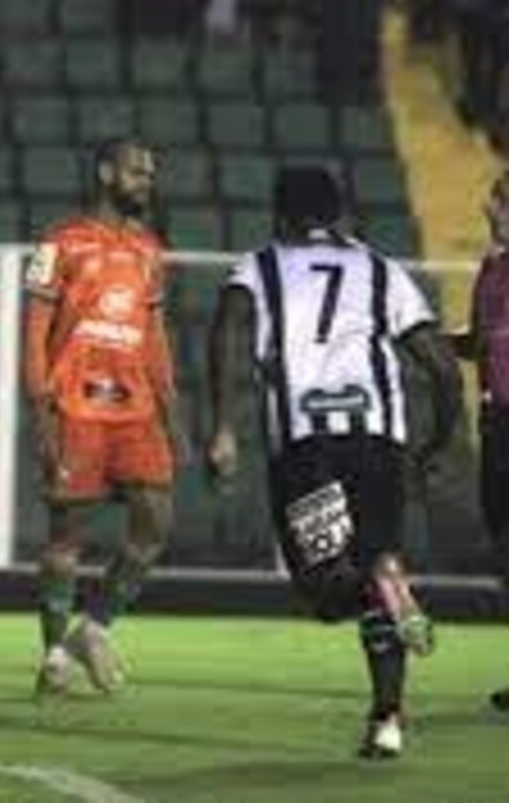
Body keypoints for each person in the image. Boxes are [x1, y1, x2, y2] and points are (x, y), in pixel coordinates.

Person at [205, 165, 463, 759]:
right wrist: (437, 445)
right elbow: (444, 368)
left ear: (281, 214)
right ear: (339, 214)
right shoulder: (382, 270)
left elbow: (228, 333)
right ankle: (388, 719)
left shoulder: (259, 267)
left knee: (325, 588)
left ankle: (377, 589)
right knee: (377, 562)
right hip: (379, 440)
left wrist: (222, 426)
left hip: (306, 442)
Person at [24, 137, 185, 696]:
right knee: (67, 534)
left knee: (155, 524)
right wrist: (39, 410)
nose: (147, 181)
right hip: (75, 407)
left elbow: (156, 342)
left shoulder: (148, 250)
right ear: (104, 173)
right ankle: (52, 656)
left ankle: (92, 628)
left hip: (135, 410)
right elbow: (34, 336)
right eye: (137, 172)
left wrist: (174, 417)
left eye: (150, 173)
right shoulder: (61, 243)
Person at [448, 170, 509, 710]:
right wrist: (429, 343)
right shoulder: (491, 268)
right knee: (504, 546)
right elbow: (479, 341)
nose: (488, 205)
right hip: (495, 422)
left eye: (498, 197)